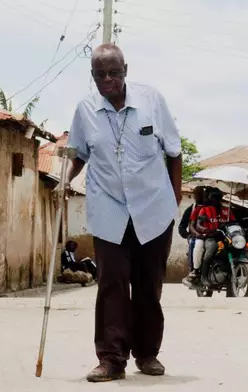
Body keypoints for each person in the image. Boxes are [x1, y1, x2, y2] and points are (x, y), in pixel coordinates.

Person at [65, 43, 182, 382]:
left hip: (152, 209)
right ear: (93, 76)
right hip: (109, 210)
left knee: (149, 284)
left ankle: (147, 354)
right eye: (100, 75)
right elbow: (77, 154)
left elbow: (174, 152)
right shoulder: (84, 110)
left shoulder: (151, 101)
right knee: (111, 284)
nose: (108, 80)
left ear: (126, 70)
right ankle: (112, 359)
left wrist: (173, 199)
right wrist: (65, 178)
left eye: (114, 72)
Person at [183, 189, 235, 287]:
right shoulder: (204, 210)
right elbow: (197, 225)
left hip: (225, 236)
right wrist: (205, 230)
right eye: (214, 198)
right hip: (211, 237)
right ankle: (203, 276)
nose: (216, 200)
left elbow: (234, 223)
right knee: (211, 249)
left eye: (218, 198)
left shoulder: (227, 211)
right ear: (210, 198)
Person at [178, 186, 205, 272]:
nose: (199, 197)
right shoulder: (191, 209)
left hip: (209, 235)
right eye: (197, 194)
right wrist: (188, 236)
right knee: (193, 242)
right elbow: (181, 227)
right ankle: (193, 270)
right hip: (195, 236)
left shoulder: (209, 208)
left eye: (201, 194)